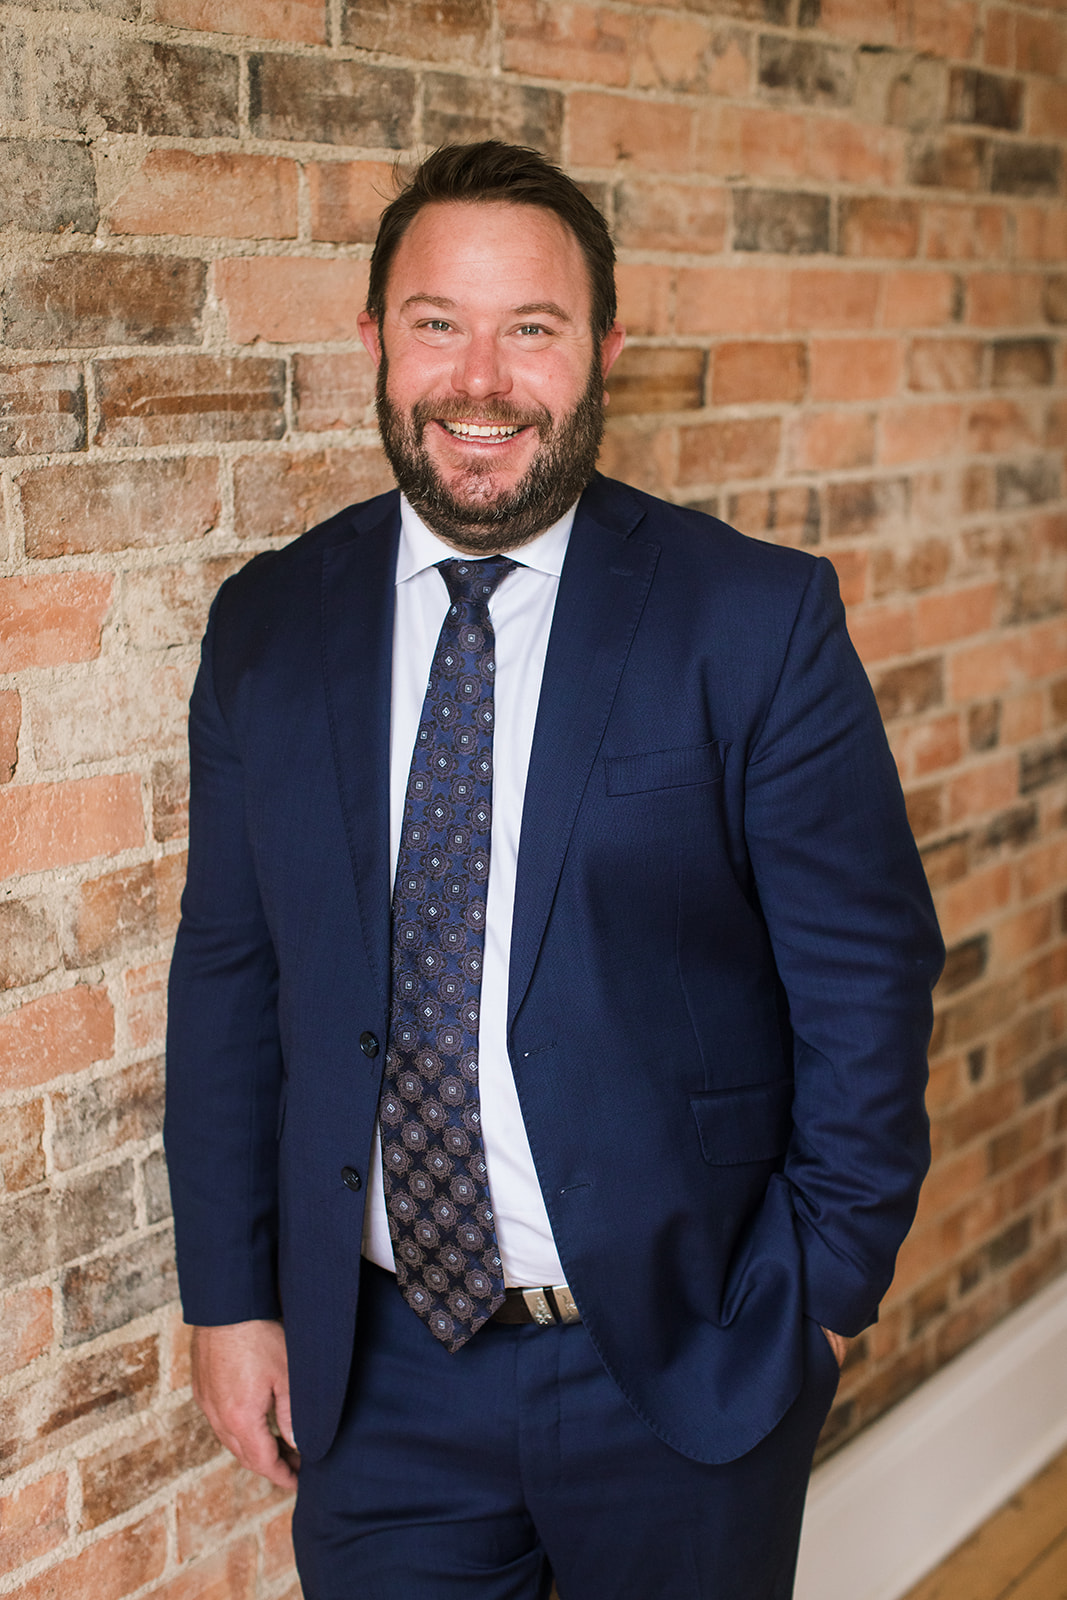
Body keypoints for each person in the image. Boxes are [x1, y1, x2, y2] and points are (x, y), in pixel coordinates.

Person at [165, 141, 943, 1600]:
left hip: (682, 1360)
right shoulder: (267, 628)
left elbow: (867, 979)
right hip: (377, 1376)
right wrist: (232, 1297)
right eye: (437, 323)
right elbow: (229, 977)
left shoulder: (752, 620)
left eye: (531, 328)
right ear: (375, 342)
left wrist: (821, 1298)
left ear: (603, 353)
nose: (480, 379)